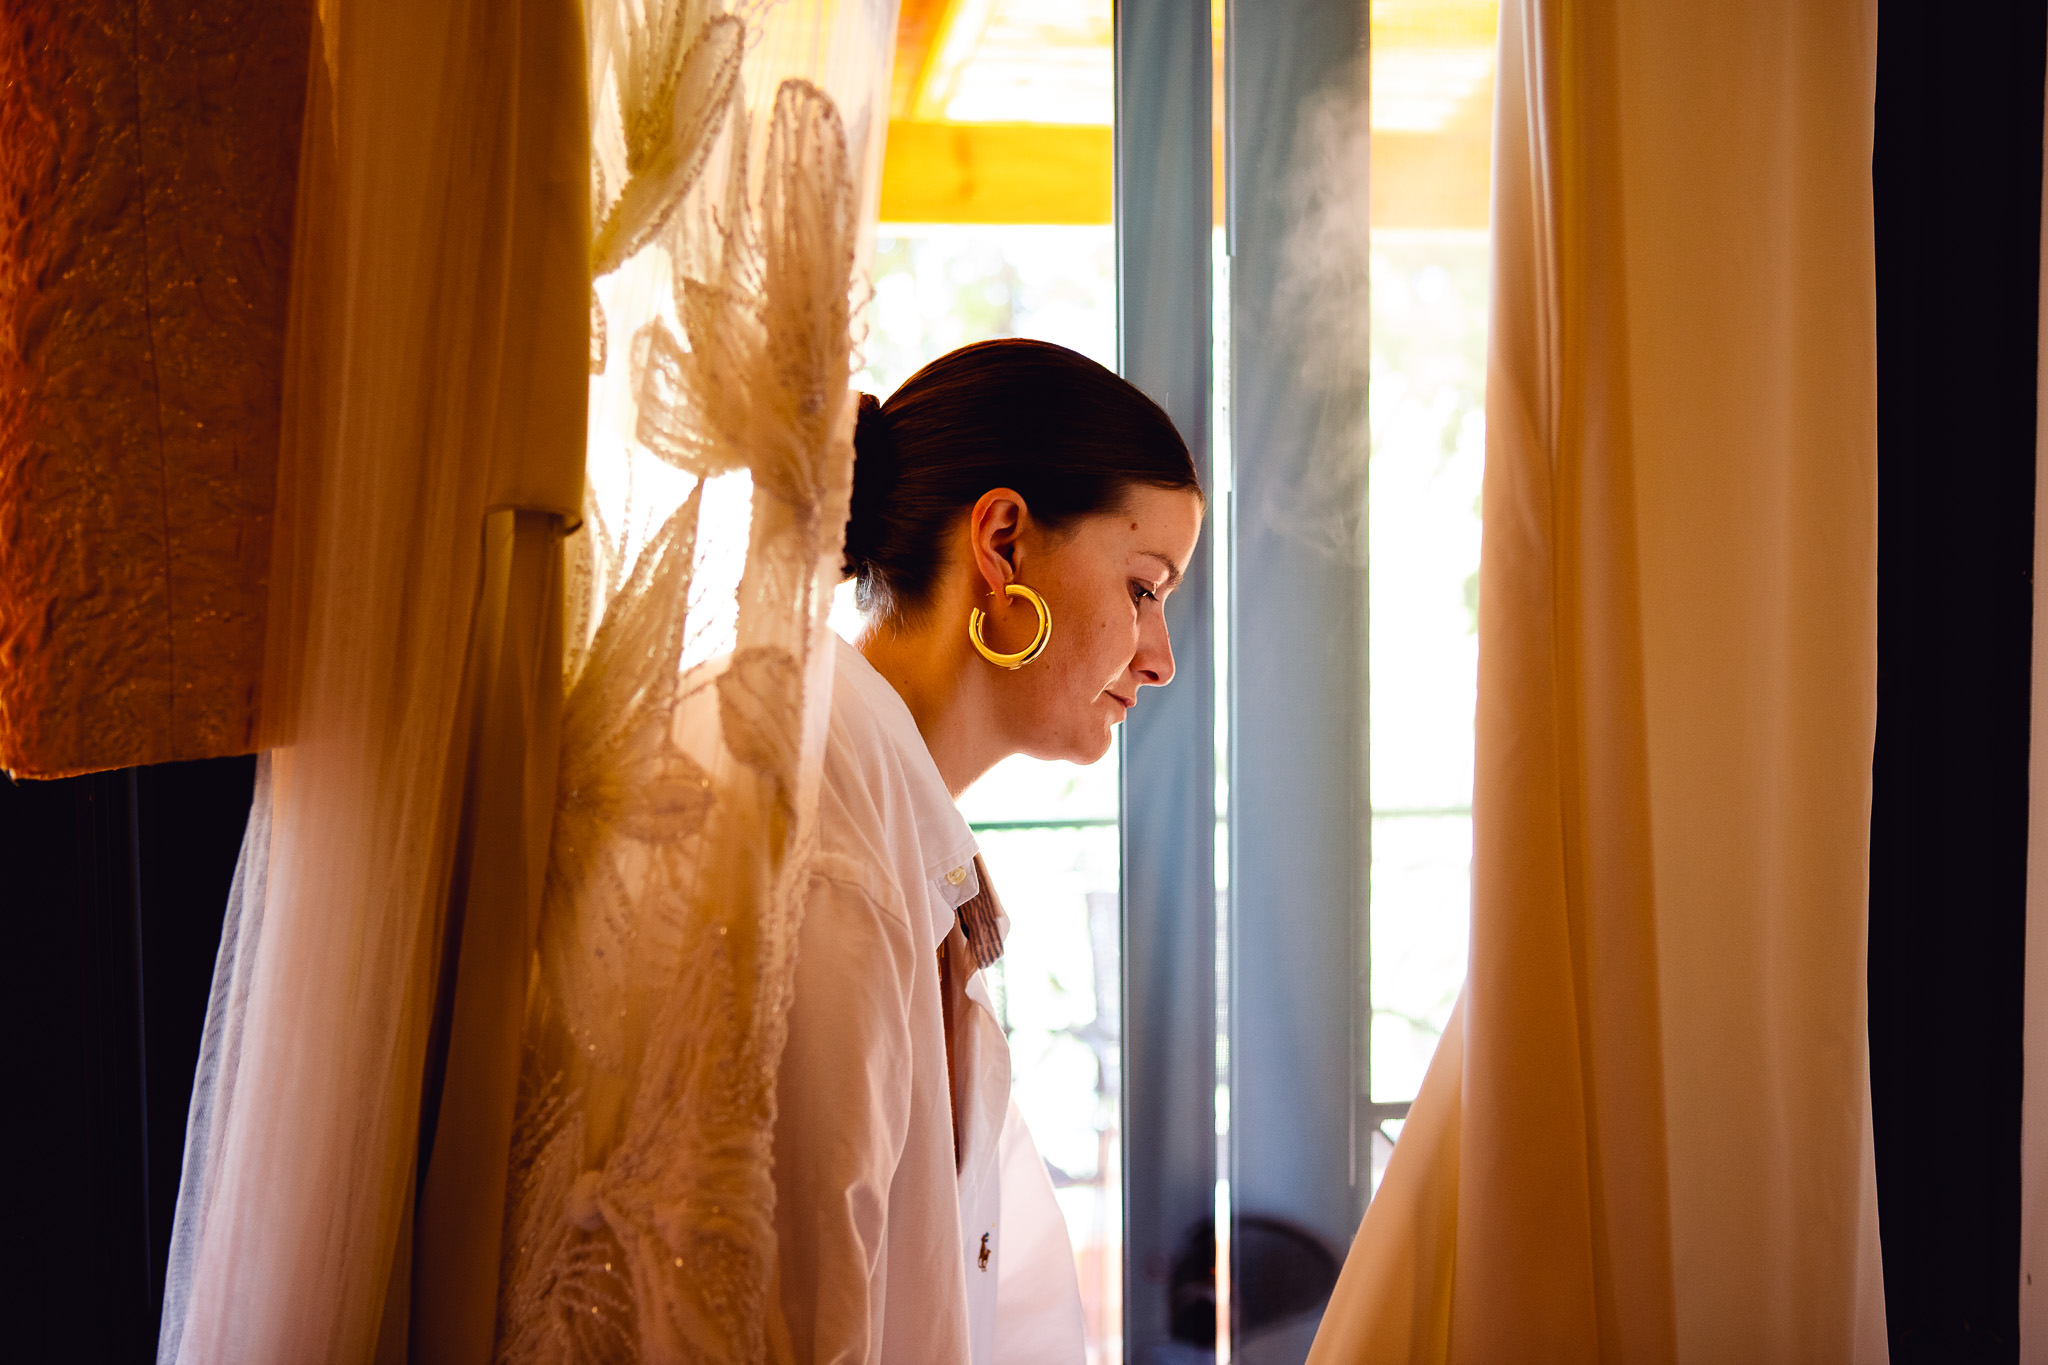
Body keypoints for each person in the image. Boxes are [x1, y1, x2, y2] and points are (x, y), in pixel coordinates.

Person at [772, 337, 1204, 1364]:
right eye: (1144, 587)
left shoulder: (890, 822)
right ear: (1003, 542)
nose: (1161, 659)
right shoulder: (834, 848)